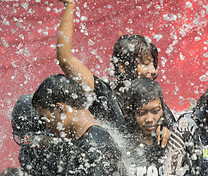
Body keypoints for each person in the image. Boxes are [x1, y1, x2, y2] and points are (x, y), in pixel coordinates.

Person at [57, 0, 174, 146]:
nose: (153, 71)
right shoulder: (105, 96)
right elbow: (65, 59)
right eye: (145, 64)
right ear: (122, 66)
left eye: (154, 64)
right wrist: (70, 6)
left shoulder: (159, 106)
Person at [31, 74, 120, 176]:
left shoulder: (95, 143)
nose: (47, 127)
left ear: (60, 109)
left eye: (46, 119)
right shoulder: (84, 141)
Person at [101, 78, 180, 176]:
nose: (150, 119)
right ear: (129, 112)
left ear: (163, 109)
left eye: (155, 111)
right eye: (141, 112)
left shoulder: (170, 142)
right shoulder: (119, 143)